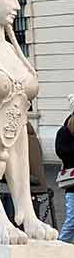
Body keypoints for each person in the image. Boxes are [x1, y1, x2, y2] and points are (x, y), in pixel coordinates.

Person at [55, 94, 74, 243]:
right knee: (72, 220)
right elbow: (63, 153)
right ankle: (61, 244)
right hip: (73, 184)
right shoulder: (64, 131)